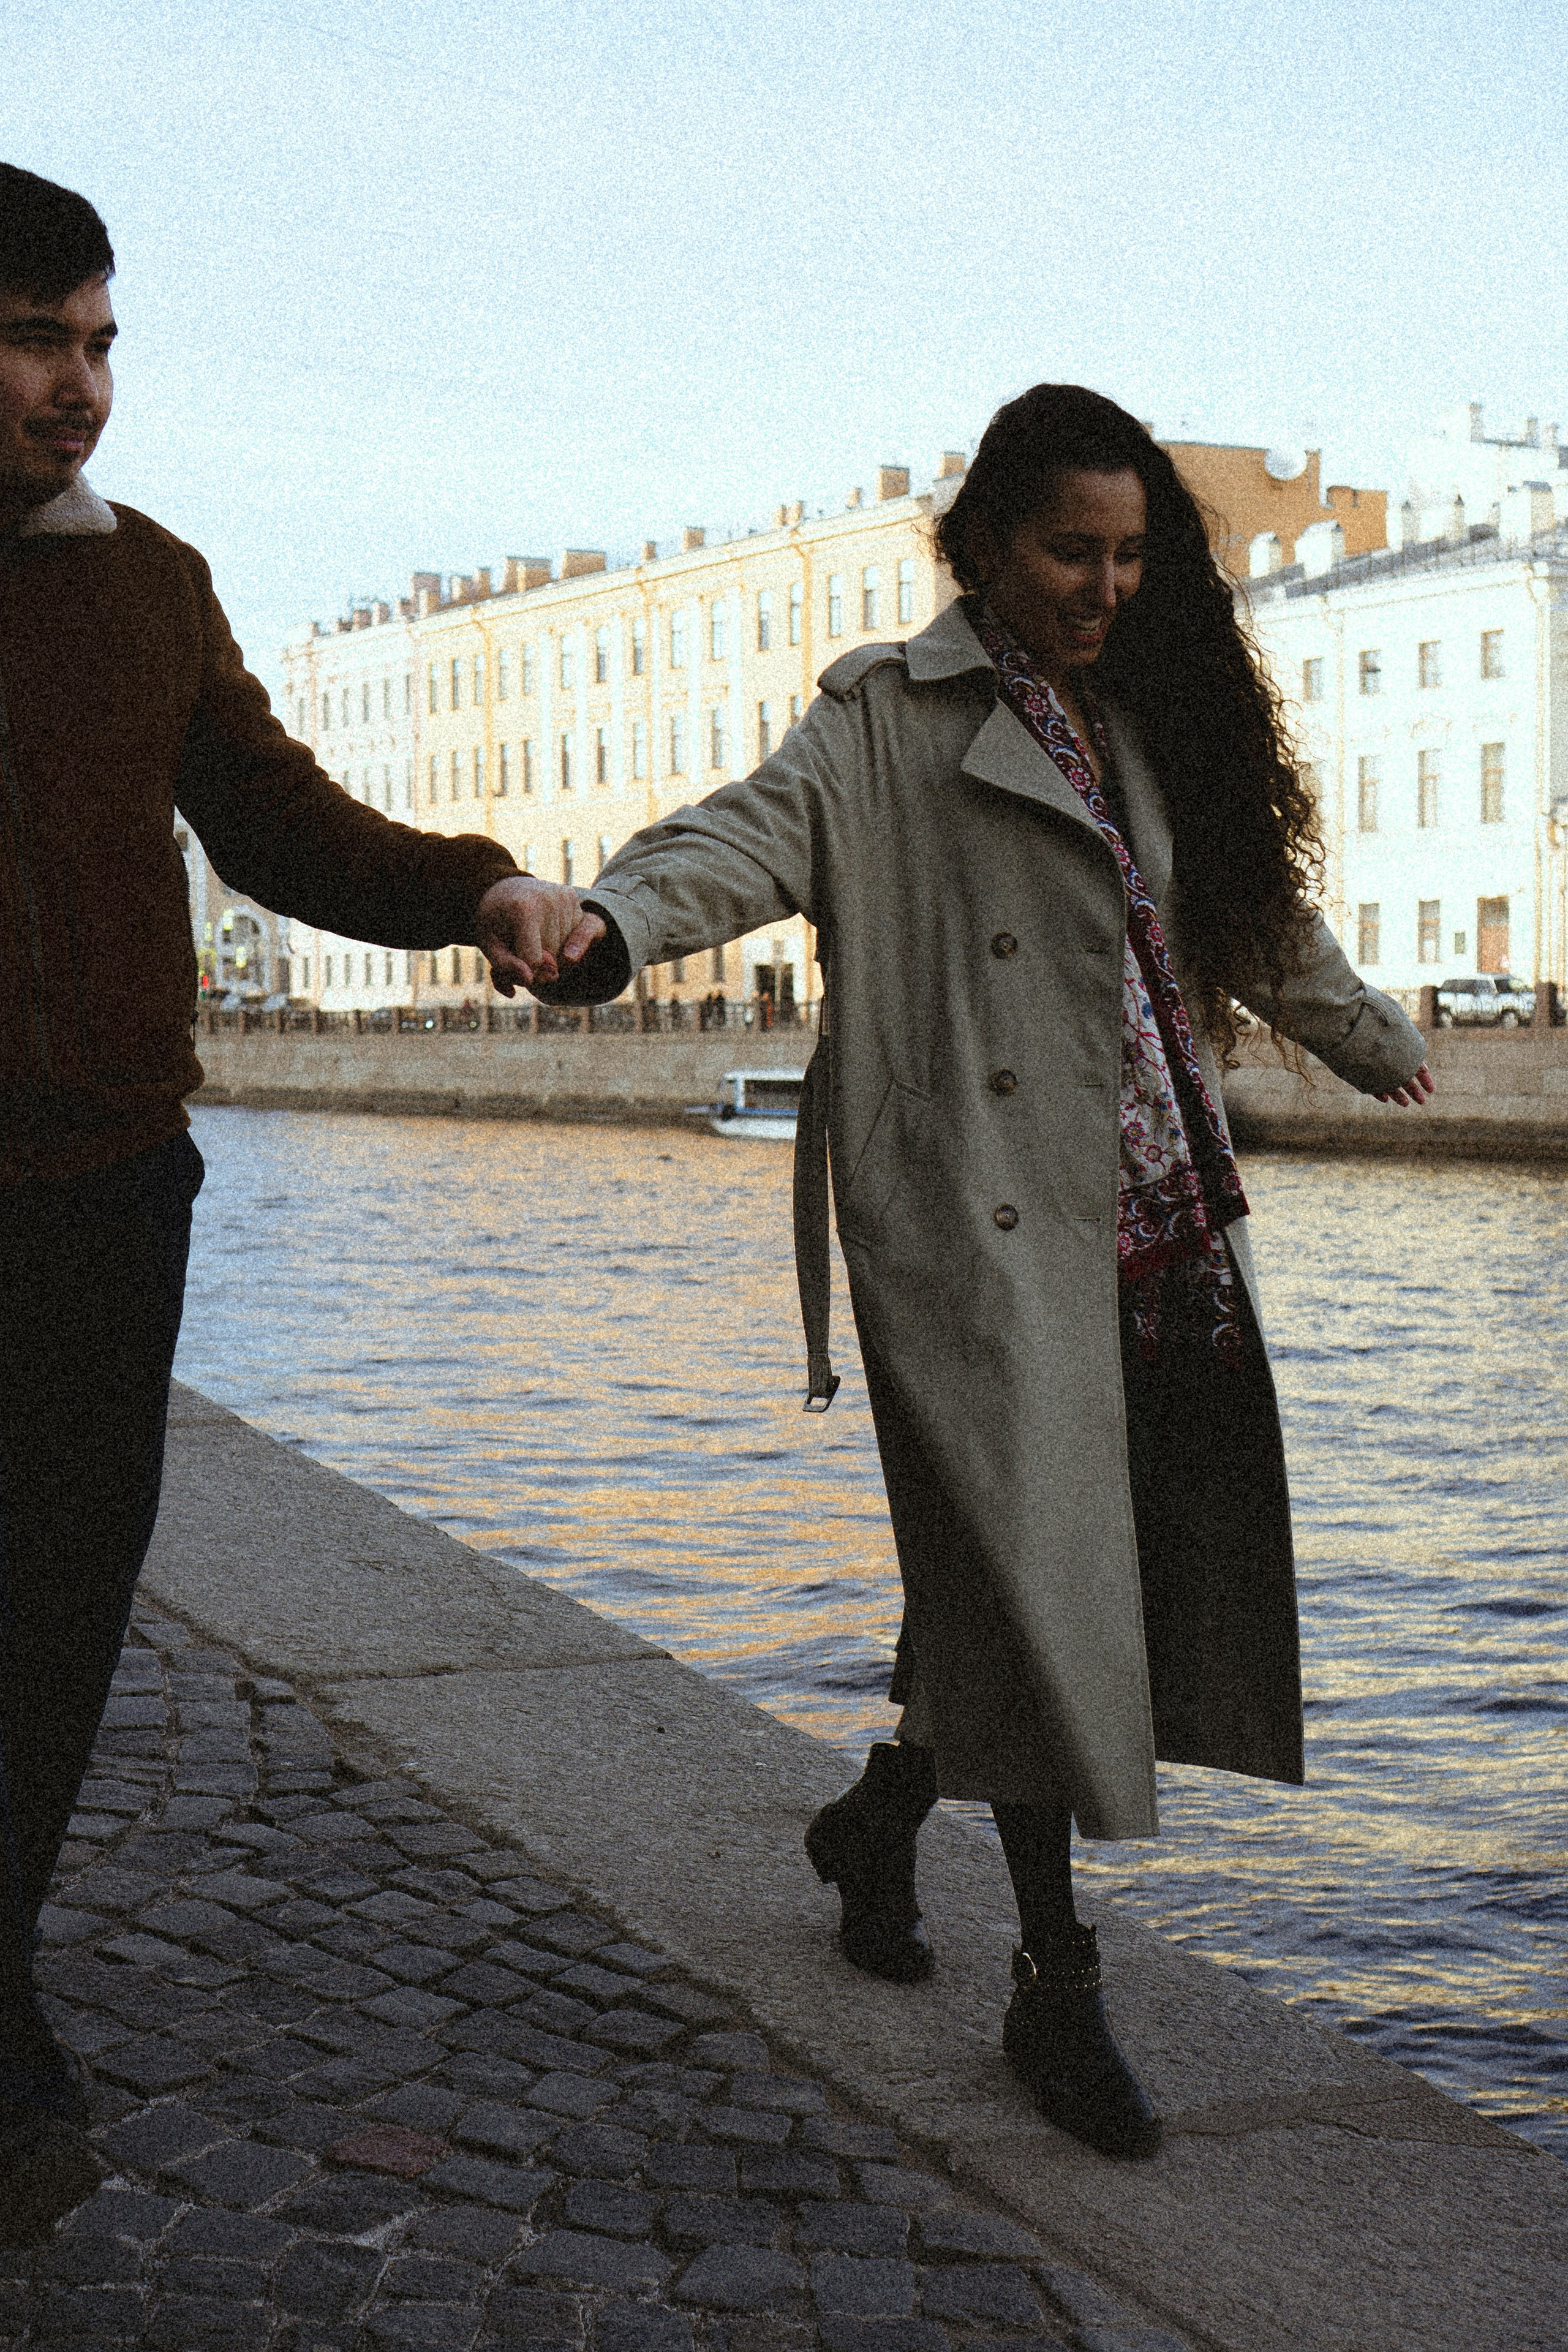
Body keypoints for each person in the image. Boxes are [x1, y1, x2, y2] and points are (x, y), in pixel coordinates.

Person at [532, 384, 1434, 2160]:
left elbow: (1249, 913)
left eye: (1131, 554)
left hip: (1157, 1224)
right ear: (983, 549)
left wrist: (1361, 1032)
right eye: (1069, 551)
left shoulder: (1152, 718)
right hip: (981, 1235)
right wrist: (611, 927)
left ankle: (878, 1822)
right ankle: (1056, 1986)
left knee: (1051, 1575)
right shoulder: (888, 722)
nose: (1106, 585)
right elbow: (741, 836)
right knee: (1038, 1585)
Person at [0, 164, 586, 2239]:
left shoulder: (145, 581)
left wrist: (478, 889)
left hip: (101, 1188)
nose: (80, 388)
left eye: (99, 343)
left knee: (58, 1613)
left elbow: (270, 820)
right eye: (33, 340)